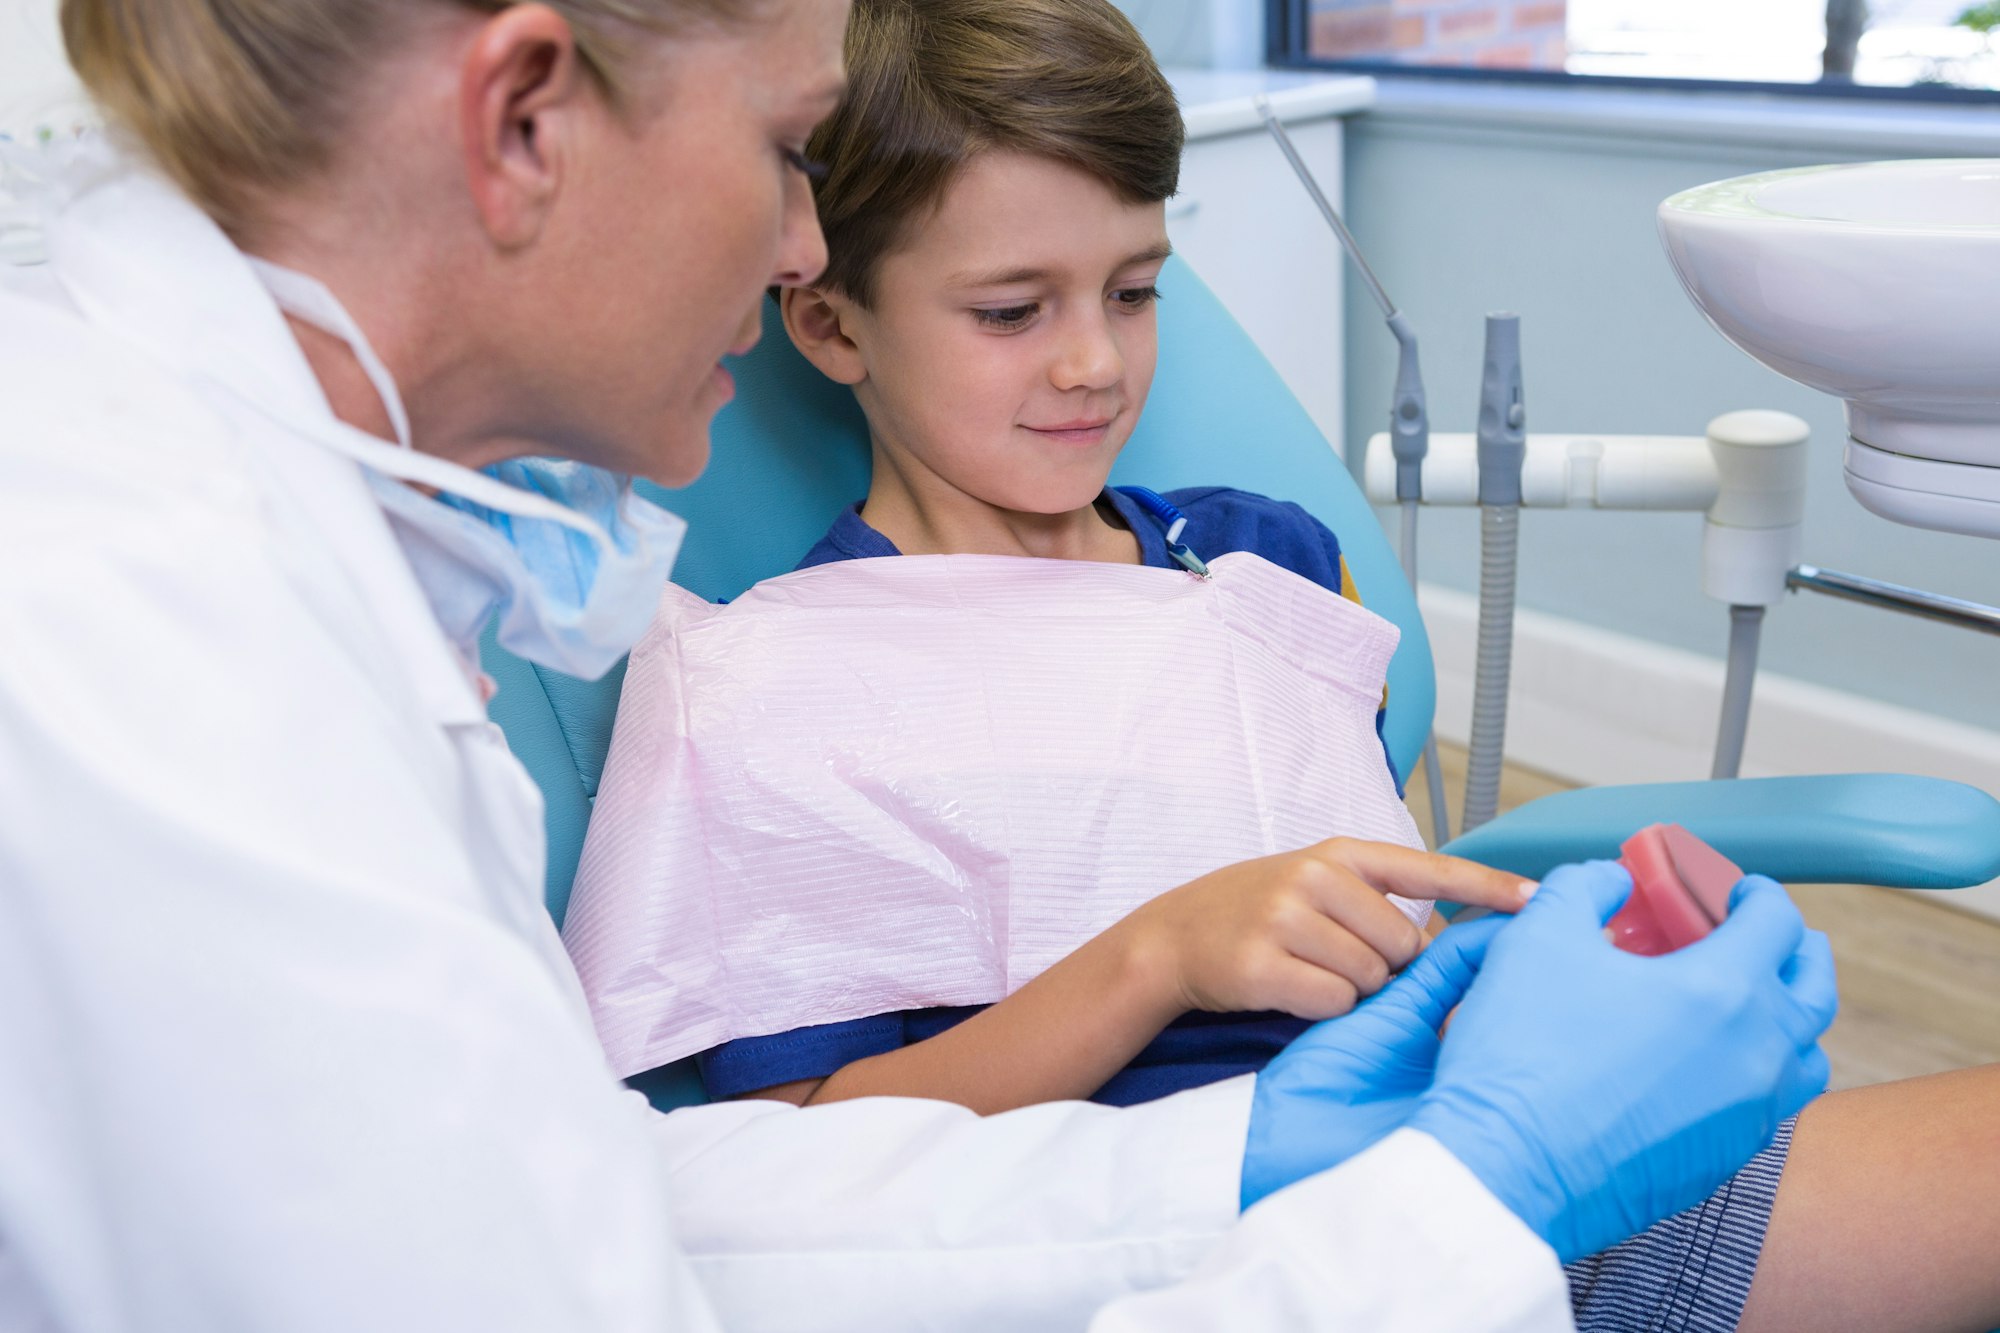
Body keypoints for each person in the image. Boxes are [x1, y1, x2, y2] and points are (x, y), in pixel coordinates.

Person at [0, 0, 1843, 1328]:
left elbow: (626, 1203)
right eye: (793, 152)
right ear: (526, 117)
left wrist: (1256, 1150)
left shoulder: (258, 544)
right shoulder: (158, 674)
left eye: (1130, 287)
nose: (810, 233)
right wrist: (1469, 1203)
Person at [560, 2, 2000, 1330]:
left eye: (1133, 292)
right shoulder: (765, 686)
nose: (1094, 365)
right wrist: (1157, 957)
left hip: (1497, 1119)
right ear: (828, 318)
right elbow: (808, 1166)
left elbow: (1388, 884)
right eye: (1013, 311)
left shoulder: (1260, 565)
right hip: (1245, 1234)